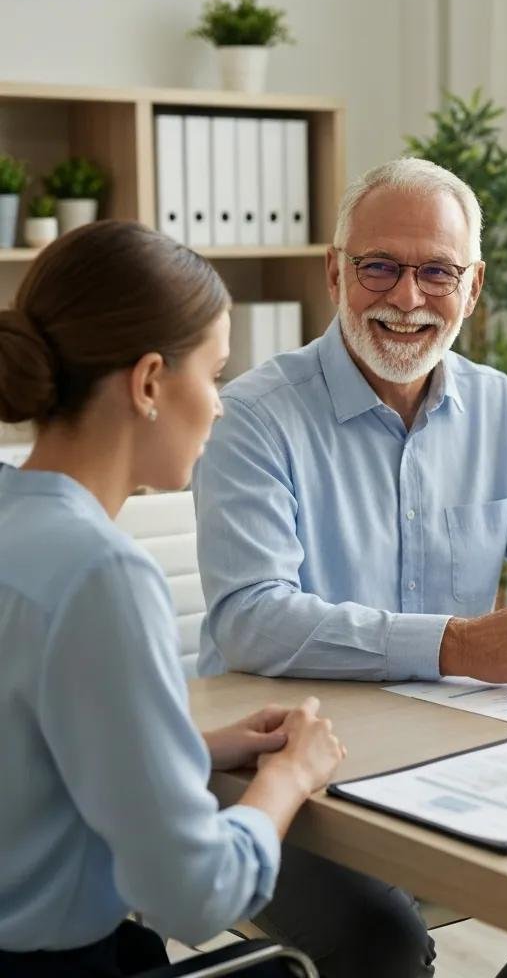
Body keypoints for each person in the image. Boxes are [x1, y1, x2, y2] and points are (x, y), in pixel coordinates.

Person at [193, 157, 507, 976]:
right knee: (380, 941)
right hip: (285, 776)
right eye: (379, 266)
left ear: (472, 286)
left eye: (436, 273)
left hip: (456, 752)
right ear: (335, 271)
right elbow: (252, 618)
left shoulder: (498, 407)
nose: (407, 298)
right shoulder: (253, 419)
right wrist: (454, 645)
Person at [0, 221, 343, 977]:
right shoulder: (101, 574)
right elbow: (196, 896)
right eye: (215, 374)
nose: (219, 406)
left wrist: (190, 748)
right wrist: (287, 776)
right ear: (150, 381)